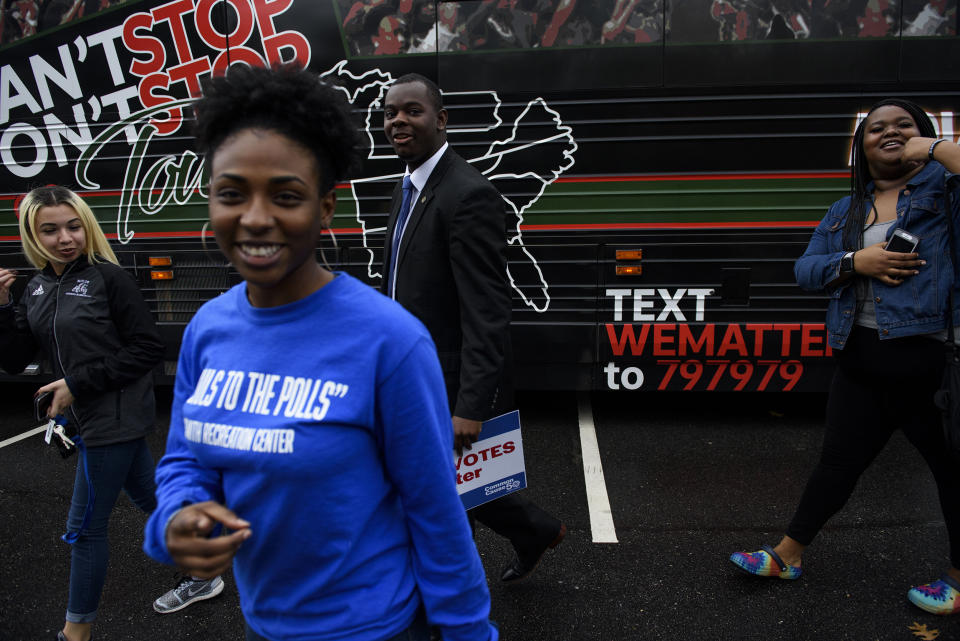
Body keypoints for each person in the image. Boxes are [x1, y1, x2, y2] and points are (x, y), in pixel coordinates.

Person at [141, 64, 498, 641]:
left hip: (376, 628)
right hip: (265, 625)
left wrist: (470, 633)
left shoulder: (391, 341)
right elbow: (188, 460)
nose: (256, 218)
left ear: (325, 208)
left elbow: (435, 512)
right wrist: (176, 519)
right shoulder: (207, 329)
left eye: (286, 195)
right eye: (231, 193)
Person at [729, 98, 960, 616]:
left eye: (904, 124)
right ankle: (788, 556)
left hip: (930, 364)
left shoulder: (946, 192)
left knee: (951, 473)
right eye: (876, 128)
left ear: (922, 133)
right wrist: (858, 259)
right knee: (836, 463)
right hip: (859, 363)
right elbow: (805, 270)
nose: (890, 132)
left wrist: (938, 149)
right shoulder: (846, 210)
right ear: (862, 147)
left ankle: (958, 578)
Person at [0, 186, 215, 641]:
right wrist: (2, 308)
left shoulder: (109, 278)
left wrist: (77, 384)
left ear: (87, 226)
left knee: (83, 530)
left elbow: (147, 349)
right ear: (32, 234)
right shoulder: (37, 286)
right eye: (51, 229)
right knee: (147, 497)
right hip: (82, 418)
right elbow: (15, 359)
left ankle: (74, 634)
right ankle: (205, 566)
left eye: (73, 226)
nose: (65, 238)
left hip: (114, 416)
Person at [381, 72, 565, 583]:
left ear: (440, 120)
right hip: (410, 375)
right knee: (454, 486)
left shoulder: (468, 195)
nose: (399, 120)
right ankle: (535, 530)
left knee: (439, 505)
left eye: (412, 110)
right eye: (391, 112)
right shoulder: (408, 188)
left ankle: (444, 611)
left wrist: (471, 406)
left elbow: (487, 310)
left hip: (447, 381)